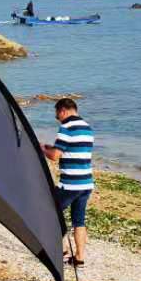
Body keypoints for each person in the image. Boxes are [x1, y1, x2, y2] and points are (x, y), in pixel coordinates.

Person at [41, 98, 93, 266]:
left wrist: (42, 150)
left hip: (70, 184)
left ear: (62, 110)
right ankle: (79, 258)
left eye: (57, 115)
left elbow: (55, 157)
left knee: (49, 211)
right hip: (86, 183)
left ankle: (62, 250)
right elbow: (71, 151)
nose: (58, 119)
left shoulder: (66, 127)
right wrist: (52, 147)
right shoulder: (87, 127)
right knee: (79, 221)